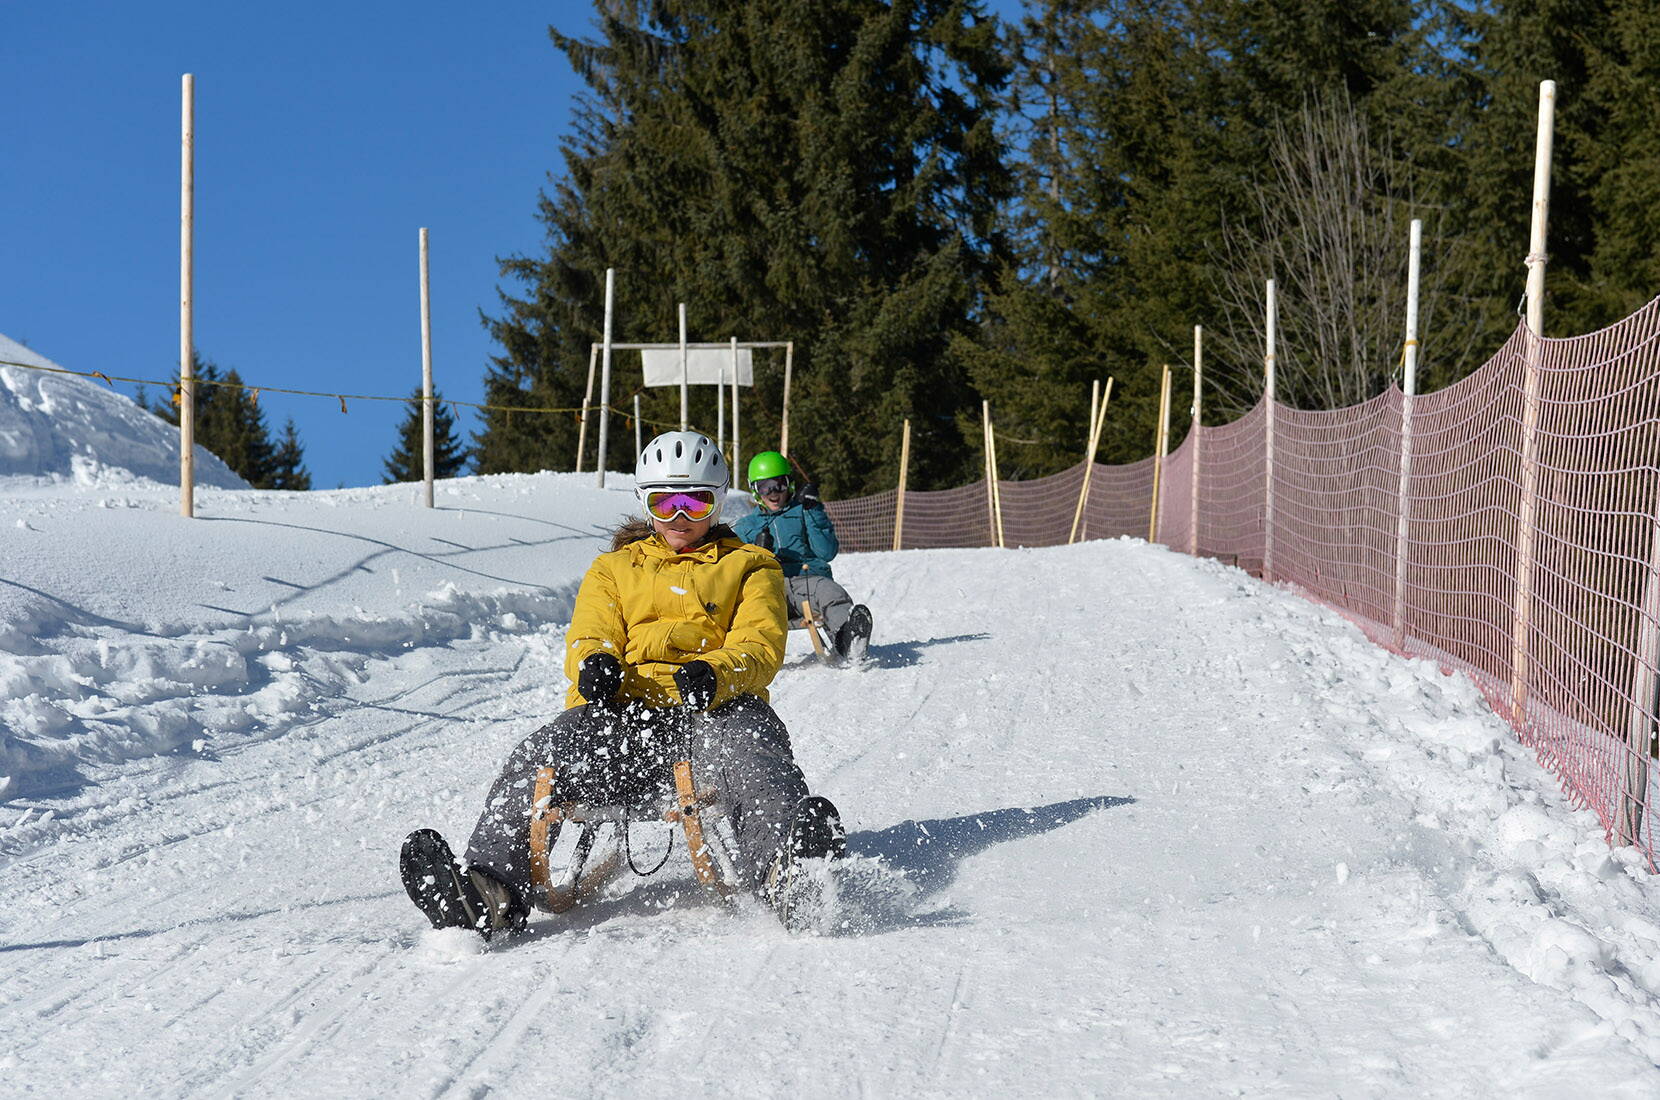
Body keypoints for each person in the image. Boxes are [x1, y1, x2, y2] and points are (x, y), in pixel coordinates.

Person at [399, 430, 846, 939]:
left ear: (718, 502)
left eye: (695, 503)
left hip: (711, 715)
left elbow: (760, 645)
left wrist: (717, 672)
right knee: (542, 752)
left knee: (754, 744)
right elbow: (590, 632)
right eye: (666, 502)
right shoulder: (613, 569)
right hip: (623, 721)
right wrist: (595, 663)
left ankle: (785, 873)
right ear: (645, 502)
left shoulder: (751, 565)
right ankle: (486, 890)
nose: (680, 517)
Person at [733, 451, 873, 663]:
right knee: (738, 604)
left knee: (830, 592)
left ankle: (849, 638)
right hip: (768, 588)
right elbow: (733, 567)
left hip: (807, 583)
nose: (773, 492)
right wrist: (757, 555)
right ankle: (737, 654)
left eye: (778, 484)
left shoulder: (804, 511)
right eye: (764, 487)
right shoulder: (746, 527)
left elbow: (826, 552)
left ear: (789, 484)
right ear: (754, 490)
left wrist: (814, 510)